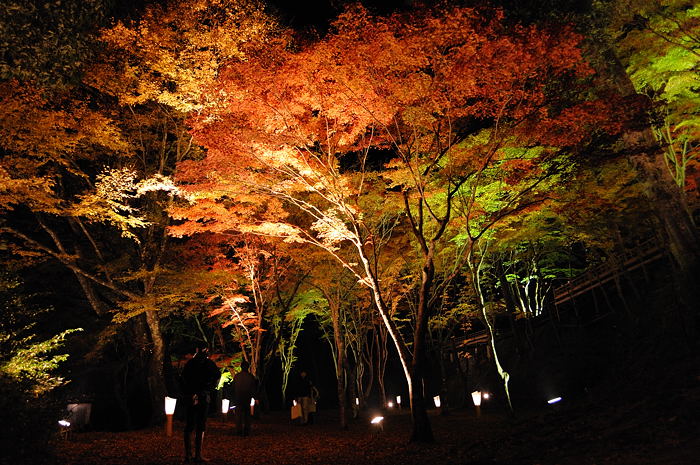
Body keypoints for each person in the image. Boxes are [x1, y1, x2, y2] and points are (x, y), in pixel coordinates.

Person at [182, 342, 220, 463]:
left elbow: (183, 378)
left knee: (192, 425)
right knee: (198, 425)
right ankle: (195, 455)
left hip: (194, 395)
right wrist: (210, 388)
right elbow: (217, 376)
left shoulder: (191, 363)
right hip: (200, 395)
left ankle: (191, 455)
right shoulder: (206, 363)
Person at [231, 360, 257, 436]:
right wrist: (255, 397)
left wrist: (233, 397)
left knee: (238, 415)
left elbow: (233, 387)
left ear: (241, 367)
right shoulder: (250, 376)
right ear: (248, 367)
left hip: (238, 398)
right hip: (247, 398)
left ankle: (239, 431)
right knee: (247, 415)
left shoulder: (237, 376)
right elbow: (253, 388)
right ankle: (246, 431)